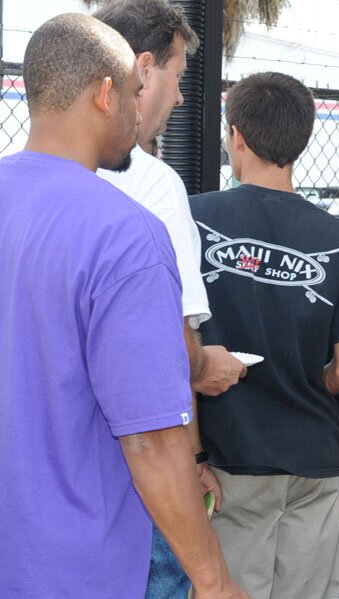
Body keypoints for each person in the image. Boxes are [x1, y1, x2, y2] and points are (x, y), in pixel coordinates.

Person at [0, 13, 247, 598]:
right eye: (138, 94)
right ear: (106, 95)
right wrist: (213, 581)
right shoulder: (125, 235)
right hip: (75, 571)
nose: (143, 112)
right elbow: (152, 440)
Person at [190, 72, 339, 599]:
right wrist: (301, 380)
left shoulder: (193, 218)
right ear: (301, 139)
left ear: (236, 134)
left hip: (231, 460)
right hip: (316, 461)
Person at [93, 2, 247, 596]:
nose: (182, 98)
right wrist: (193, 453)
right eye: (181, 76)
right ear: (145, 69)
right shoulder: (156, 185)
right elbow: (172, 343)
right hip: (146, 471)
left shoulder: (24, 182)